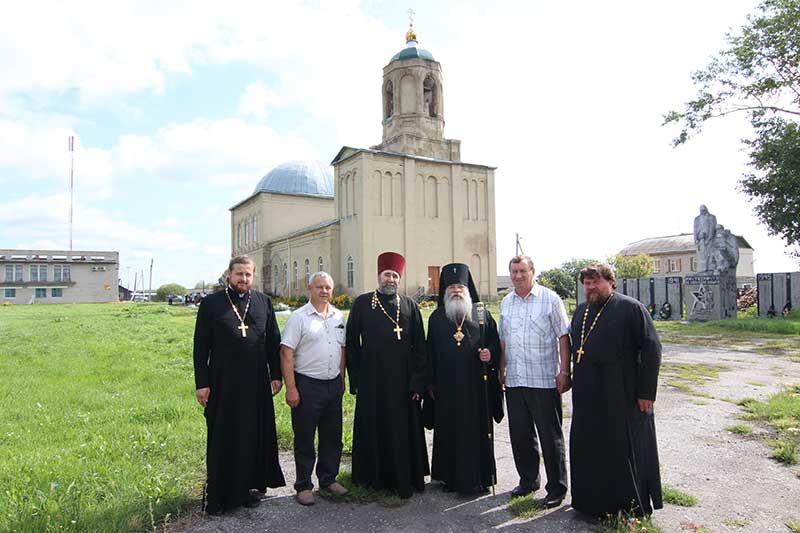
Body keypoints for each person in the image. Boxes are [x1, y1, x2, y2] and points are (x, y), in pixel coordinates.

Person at [193, 255, 285, 514]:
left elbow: (272, 341)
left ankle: (247, 487)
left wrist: (275, 374)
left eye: (248, 275)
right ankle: (220, 493)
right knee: (225, 435)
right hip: (223, 383)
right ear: (229, 275)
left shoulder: (263, 302)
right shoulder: (212, 304)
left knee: (252, 434)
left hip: (256, 383)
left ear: (253, 276)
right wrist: (202, 383)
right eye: (239, 274)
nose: (243, 279)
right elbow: (200, 347)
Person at [569, 263, 662, 517]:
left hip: (621, 392)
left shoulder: (631, 308)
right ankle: (590, 504)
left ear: (611, 282)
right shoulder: (580, 311)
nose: (590, 287)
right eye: (586, 283)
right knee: (589, 446)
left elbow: (652, 349)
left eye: (595, 282)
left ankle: (627, 505)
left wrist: (646, 392)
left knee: (620, 449)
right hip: (587, 394)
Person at [345, 251, 429, 498]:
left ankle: (405, 477)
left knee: (402, 430)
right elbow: (351, 343)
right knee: (375, 427)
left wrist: (417, 383)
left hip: (404, 383)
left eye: (394, 275)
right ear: (378, 276)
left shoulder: (410, 305)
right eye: (386, 274)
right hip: (372, 381)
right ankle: (374, 477)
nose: (390, 279)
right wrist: (357, 380)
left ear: (399, 278)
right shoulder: (362, 303)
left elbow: (420, 347)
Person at [499, 255, 571, 507]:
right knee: (520, 434)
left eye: (522, 271)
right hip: (516, 379)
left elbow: (563, 336)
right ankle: (528, 480)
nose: (517, 276)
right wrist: (502, 370)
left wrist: (565, 371)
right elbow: (503, 341)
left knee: (550, 436)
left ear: (532, 272)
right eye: (514, 271)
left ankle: (557, 488)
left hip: (544, 379)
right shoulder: (507, 302)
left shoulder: (550, 299)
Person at [426, 263, 503, 495]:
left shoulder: (482, 314)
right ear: (445, 291)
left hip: (476, 387)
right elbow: (429, 353)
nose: (456, 291)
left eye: (460, 286)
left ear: (467, 288)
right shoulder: (437, 318)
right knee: (448, 430)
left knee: (477, 431)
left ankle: (479, 477)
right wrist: (430, 383)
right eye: (451, 287)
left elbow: (494, 343)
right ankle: (449, 477)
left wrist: (490, 354)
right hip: (447, 387)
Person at [280, 272, 348, 506]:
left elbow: (342, 349)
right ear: (309, 289)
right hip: (307, 384)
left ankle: (328, 479)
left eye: (328, 287)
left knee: (332, 436)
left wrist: (342, 378)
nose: (324, 291)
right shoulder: (299, 318)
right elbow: (286, 353)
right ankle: (303, 486)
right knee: (305, 438)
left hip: (333, 384)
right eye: (319, 287)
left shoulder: (338, 316)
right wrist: (291, 388)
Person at [693, 204, 717, 272]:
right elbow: (695, 229)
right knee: (701, 255)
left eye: (703, 210)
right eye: (701, 210)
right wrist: (696, 239)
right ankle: (702, 269)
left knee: (709, 254)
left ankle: (710, 268)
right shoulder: (697, 219)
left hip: (709, 239)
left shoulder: (711, 217)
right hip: (700, 239)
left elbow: (712, 228)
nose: (702, 211)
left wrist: (709, 238)